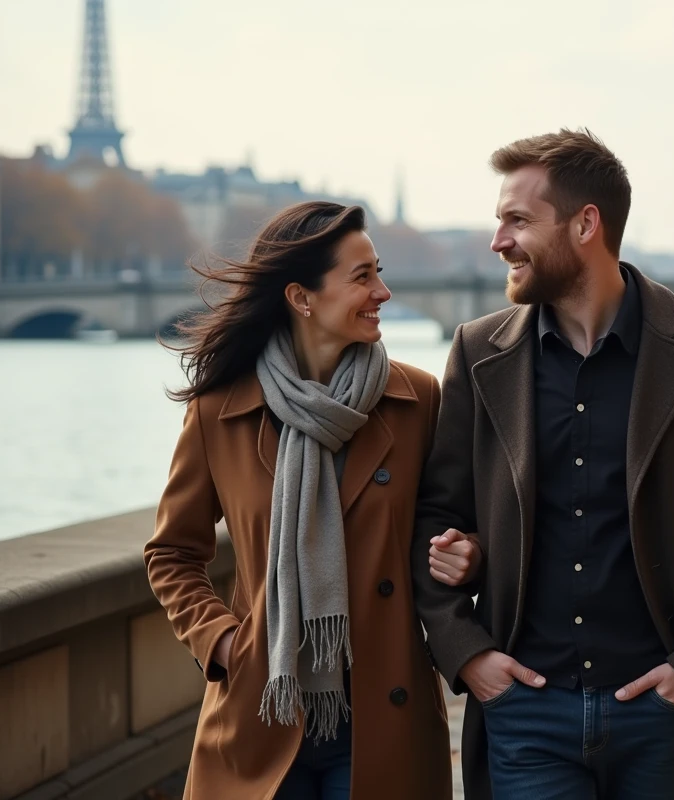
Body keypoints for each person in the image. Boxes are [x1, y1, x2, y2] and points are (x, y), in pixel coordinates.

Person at [411, 129, 674, 800]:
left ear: (586, 224)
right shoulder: (478, 353)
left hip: (665, 710)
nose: (497, 241)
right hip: (525, 715)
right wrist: (467, 653)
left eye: (517, 220)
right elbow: (433, 515)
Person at [144, 202, 479, 799]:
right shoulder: (219, 411)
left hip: (383, 716)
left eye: (378, 271)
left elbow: (455, 523)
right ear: (301, 297)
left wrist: (465, 553)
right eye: (362, 277)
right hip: (261, 710)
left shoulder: (418, 400)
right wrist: (222, 642)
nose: (384, 290)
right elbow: (172, 553)